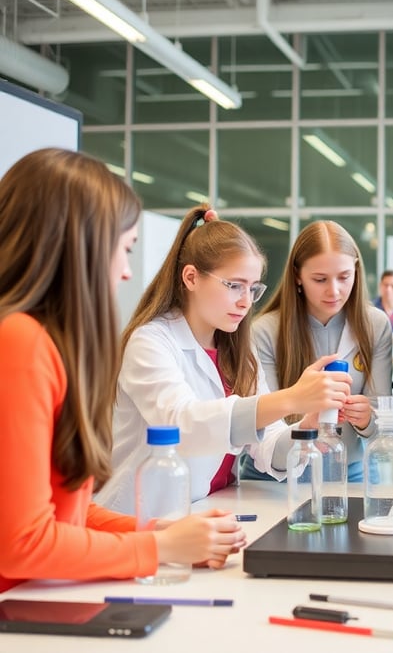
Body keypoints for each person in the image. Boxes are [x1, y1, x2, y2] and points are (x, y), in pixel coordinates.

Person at [0, 148, 246, 593]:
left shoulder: (45, 342)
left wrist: (161, 534)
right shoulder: (21, 342)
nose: (127, 271)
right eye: (124, 249)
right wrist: (161, 549)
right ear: (81, 246)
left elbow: (66, 514)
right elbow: (23, 542)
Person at [95, 206, 352, 515]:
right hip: (141, 516)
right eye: (234, 285)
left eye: (253, 288)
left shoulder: (239, 348)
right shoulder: (150, 342)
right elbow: (183, 425)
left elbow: (267, 445)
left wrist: (304, 430)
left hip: (210, 509)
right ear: (191, 277)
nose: (245, 301)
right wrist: (291, 398)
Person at [240, 220, 393, 482]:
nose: (334, 290)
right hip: (275, 477)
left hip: (349, 471)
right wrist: (305, 417)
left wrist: (367, 418)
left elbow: (382, 426)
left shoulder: (375, 325)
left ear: (356, 270)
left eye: (344, 277)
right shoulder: (264, 331)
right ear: (298, 276)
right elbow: (266, 434)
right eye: (320, 279)